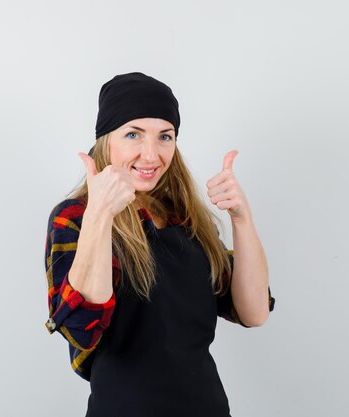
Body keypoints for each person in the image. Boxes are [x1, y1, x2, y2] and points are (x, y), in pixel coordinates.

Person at [44, 72, 275, 417]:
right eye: (133, 134)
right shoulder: (75, 217)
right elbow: (81, 330)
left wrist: (241, 219)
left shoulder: (186, 219)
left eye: (165, 136)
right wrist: (100, 215)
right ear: (107, 141)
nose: (151, 155)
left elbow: (254, 312)